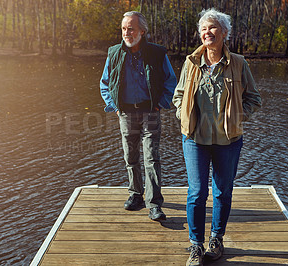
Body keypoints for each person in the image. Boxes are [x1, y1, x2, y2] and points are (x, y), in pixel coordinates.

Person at [172, 8, 261, 265]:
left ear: (224, 33)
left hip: (228, 142)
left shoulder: (239, 64)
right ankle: (196, 246)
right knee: (197, 193)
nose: (207, 32)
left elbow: (254, 99)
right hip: (194, 140)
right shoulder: (190, 63)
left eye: (212, 28)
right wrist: (182, 113)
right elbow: (178, 95)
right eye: (203, 29)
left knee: (222, 192)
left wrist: (237, 118)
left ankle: (216, 240)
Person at [100, 11, 177, 221]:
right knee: (130, 156)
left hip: (150, 111)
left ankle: (154, 204)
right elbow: (104, 83)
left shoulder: (156, 53)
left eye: (131, 28)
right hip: (125, 111)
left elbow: (171, 81)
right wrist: (114, 107)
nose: (127, 32)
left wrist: (160, 104)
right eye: (124, 28)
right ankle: (135, 195)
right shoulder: (114, 53)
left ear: (142, 31)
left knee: (151, 157)